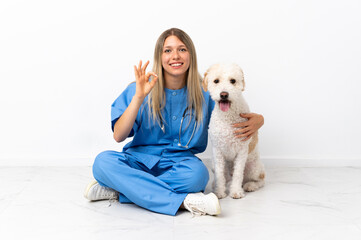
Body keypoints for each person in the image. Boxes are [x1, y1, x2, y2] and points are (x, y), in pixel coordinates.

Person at [84, 28, 264, 216]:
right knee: (102, 162)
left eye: (182, 49)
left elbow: (232, 114)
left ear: (191, 55)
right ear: (159, 56)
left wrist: (260, 120)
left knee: (198, 176)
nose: (175, 56)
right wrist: (138, 97)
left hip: (180, 165)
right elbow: (118, 135)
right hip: (138, 161)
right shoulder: (140, 88)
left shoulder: (207, 92)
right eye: (168, 50)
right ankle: (185, 202)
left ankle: (121, 190)